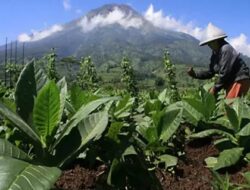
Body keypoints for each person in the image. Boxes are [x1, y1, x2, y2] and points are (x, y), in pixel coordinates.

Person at [187, 23, 250, 99]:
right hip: (231, 82)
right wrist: (195, 74)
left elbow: (225, 72)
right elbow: (210, 72)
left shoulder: (226, 49)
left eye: (210, 43)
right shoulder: (215, 54)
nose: (209, 45)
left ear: (216, 41)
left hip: (239, 79)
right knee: (229, 106)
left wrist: (215, 88)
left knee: (230, 107)